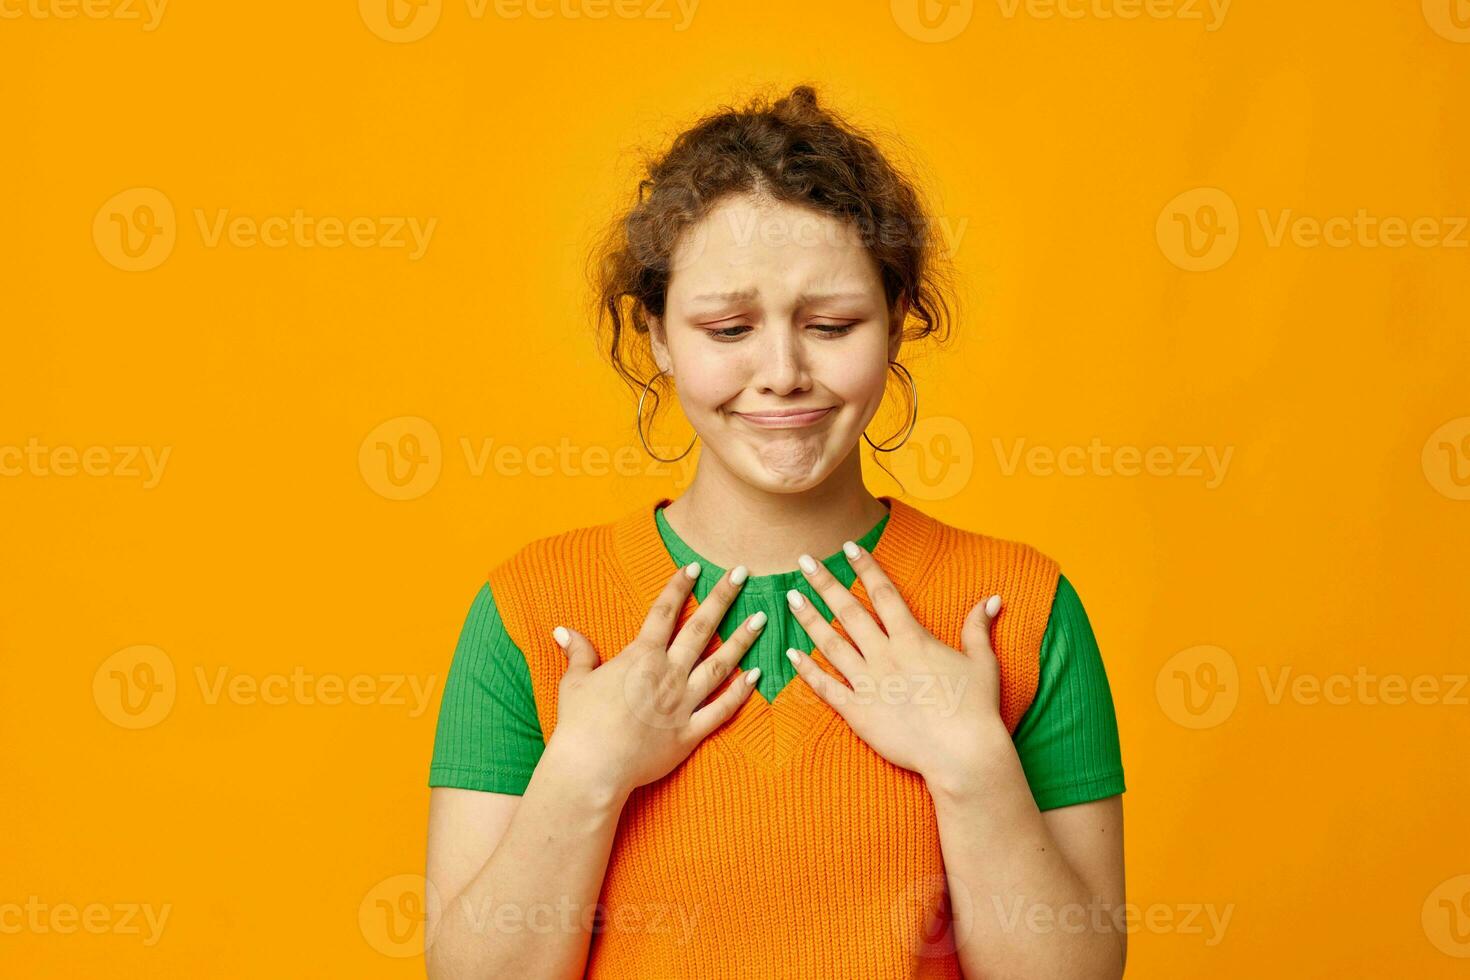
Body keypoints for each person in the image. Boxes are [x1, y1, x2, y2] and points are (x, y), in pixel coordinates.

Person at [424, 84, 1126, 979]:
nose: (784, 373)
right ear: (660, 336)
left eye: (831, 325)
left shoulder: (1020, 611)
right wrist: (583, 774)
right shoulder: (531, 612)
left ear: (900, 320)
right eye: (729, 328)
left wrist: (973, 766)